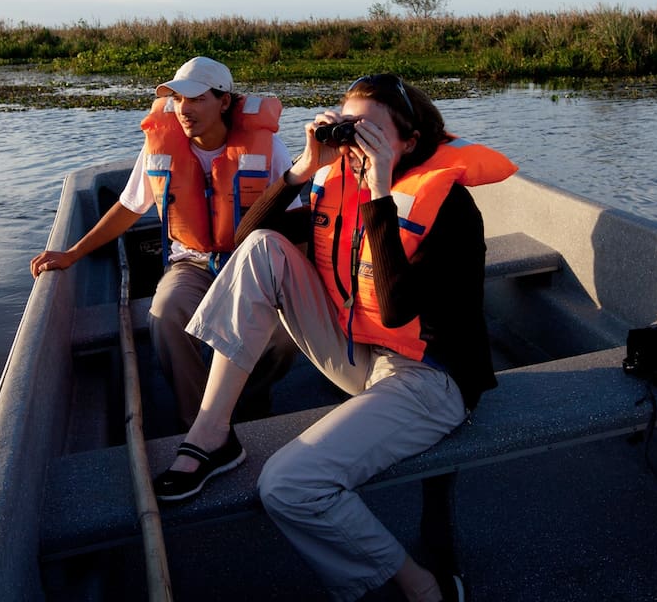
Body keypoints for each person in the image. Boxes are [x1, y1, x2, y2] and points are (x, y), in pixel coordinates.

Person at [152, 74, 517, 602]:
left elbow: (395, 313)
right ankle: (212, 433)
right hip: (362, 355)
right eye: (351, 129)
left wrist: (381, 192)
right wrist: (304, 167)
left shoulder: (450, 208)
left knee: (288, 485)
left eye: (372, 132)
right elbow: (243, 240)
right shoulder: (337, 182)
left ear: (410, 141)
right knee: (263, 250)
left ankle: (425, 588)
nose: (357, 144)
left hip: (430, 378)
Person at [30, 56, 297, 429]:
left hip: (250, 263)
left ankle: (249, 400)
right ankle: (200, 422)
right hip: (191, 262)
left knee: (281, 338)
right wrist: (73, 253)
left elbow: (294, 220)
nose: (184, 110)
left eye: (196, 99)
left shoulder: (270, 149)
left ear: (224, 101)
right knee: (166, 315)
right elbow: (129, 206)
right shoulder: (160, 146)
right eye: (177, 99)